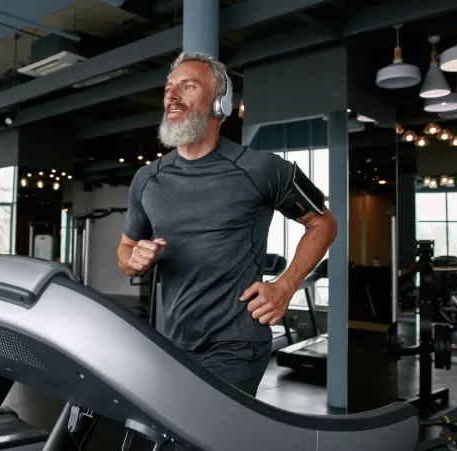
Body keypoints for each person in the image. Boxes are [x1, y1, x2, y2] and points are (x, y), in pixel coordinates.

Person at [116, 52, 337, 397]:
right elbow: (125, 249)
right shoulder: (147, 178)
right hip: (173, 339)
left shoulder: (262, 168)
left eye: (187, 86)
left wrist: (284, 287)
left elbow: (324, 225)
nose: (171, 96)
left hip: (237, 342)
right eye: (168, 89)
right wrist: (135, 258)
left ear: (220, 103)